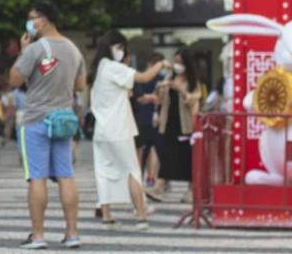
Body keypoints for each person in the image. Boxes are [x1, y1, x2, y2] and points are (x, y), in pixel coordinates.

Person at [9, 0, 86, 250]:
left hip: (36, 120)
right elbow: (81, 86)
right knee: (66, 175)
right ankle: (72, 233)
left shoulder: (35, 48)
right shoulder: (74, 50)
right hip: (63, 120)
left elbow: (14, 79)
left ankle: (38, 234)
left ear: (44, 20)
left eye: (32, 18)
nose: (30, 22)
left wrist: (22, 51)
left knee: (37, 178)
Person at [88, 31, 165, 230]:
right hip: (119, 129)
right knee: (132, 170)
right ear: (113, 47)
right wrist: (161, 64)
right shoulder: (114, 68)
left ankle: (107, 217)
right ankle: (140, 216)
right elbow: (145, 77)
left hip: (102, 130)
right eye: (121, 48)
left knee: (104, 172)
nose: (122, 52)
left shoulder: (99, 68)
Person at [149, 49, 206, 203]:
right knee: (167, 155)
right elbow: (160, 99)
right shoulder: (170, 76)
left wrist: (181, 90)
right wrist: (159, 89)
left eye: (180, 62)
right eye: (176, 62)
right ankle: (158, 188)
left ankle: (191, 190)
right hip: (169, 122)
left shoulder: (193, 81)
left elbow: (195, 100)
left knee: (188, 158)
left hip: (186, 124)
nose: (177, 66)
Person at [133, 51, 165, 186]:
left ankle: (138, 177)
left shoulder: (138, 78)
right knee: (153, 149)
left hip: (140, 117)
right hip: (154, 118)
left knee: (140, 150)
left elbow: (137, 97)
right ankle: (151, 178)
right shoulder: (161, 79)